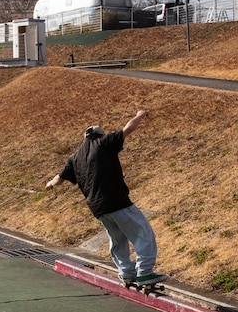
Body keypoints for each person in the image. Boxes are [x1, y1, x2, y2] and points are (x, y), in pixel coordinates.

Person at [46, 110, 167, 287]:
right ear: (101, 135)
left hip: (98, 209)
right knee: (143, 233)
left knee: (117, 240)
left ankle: (126, 273)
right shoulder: (104, 143)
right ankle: (145, 273)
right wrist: (140, 115)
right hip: (116, 201)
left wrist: (50, 183)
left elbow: (59, 178)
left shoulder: (75, 158)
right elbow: (128, 128)